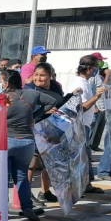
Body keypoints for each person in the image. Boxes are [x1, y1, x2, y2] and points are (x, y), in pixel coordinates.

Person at [26, 62, 78, 204]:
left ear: (50, 76)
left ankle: (45, 192)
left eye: (42, 75)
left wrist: (71, 96)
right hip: (35, 132)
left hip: (53, 131)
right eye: (36, 75)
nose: (38, 78)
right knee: (31, 165)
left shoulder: (55, 86)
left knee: (49, 164)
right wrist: (43, 111)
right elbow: (26, 113)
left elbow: (60, 104)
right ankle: (27, 195)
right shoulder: (30, 90)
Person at [2, 69, 44, 221]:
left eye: (1, 81)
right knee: (21, 177)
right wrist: (35, 115)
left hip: (7, 141)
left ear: (6, 83)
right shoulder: (32, 94)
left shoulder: (3, 98)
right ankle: (27, 208)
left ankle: (2, 211)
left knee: (3, 179)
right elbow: (54, 101)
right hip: (27, 142)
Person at [66, 55, 107, 195]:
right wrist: (96, 96)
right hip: (79, 125)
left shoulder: (85, 82)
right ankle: (76, 187)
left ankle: (85, 184)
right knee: (79, 157)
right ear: (89, 69)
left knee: (85, 156)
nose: (96, 70)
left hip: (84, 124)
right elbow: (81, 107)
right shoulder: (81, 83)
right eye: (95, 68)